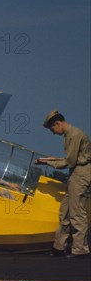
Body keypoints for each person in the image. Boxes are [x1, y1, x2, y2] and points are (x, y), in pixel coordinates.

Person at [35, 110, 91, 259]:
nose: (53, 133)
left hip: (80, 174)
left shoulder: (74, 135)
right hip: (75, 173)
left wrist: (50, 163)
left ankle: (80, 250)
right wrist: (50, 160)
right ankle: (59, 247)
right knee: (65, 212)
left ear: (57, 124)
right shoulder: (70, 134)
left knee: (77, 212)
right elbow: (72, 158)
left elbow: (70, 161)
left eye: (52, 129)